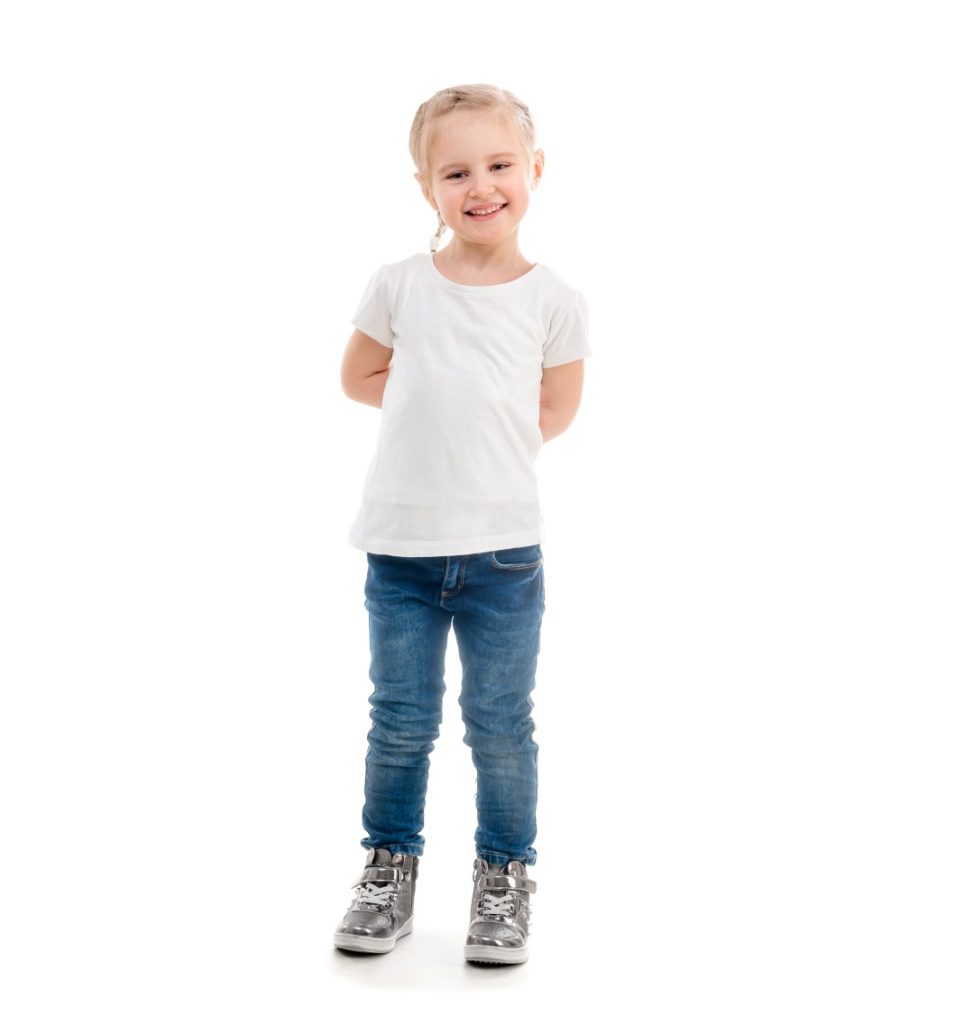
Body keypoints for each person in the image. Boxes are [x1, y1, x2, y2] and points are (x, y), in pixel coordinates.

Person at [333, 84, 592, 965]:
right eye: (456, 172)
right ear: (426, 187)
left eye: (499, 165)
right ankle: (389, 864)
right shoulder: (400, 285)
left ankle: (503, 877)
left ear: (534, 171)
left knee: (498, 722)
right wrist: (429, 417)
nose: (480, 186)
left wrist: (484, 451)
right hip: (401, 552)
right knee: (401, 719)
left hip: (504, 556)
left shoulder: (554, 299)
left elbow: (554, 408)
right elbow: (361, 377)